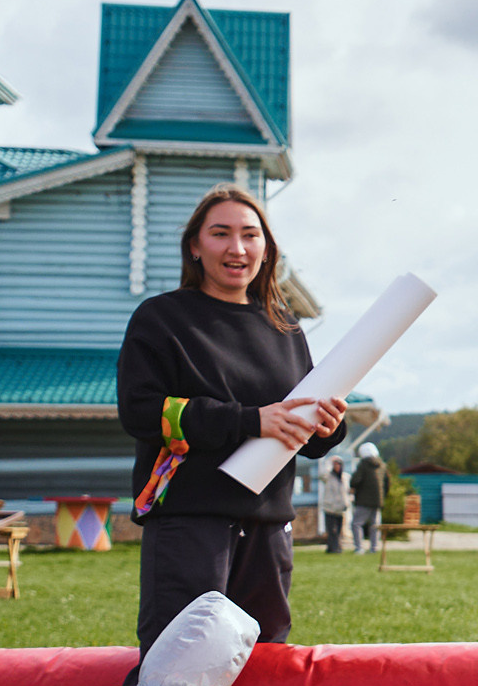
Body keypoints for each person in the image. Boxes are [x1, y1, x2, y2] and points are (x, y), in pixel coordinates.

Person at [117, 185, 344, 653]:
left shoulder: (285, 328)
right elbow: (140, 412)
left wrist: (328, 426)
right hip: (189, 522)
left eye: (249, 235)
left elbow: (300, 426)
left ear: (266, 249)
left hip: (268, 529)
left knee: (265, 663)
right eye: (220, 234)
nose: (236, 248)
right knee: (179, 662)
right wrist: (248, 421)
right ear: (195, 247)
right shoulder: (162, 318)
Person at [349, 442, 386, 553]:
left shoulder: (363, 464)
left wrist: (353, 486)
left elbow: (355, 481)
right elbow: (387, 483)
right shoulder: (382, 465)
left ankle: (359, 548)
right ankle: (374, 547)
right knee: (375, 525)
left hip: (363, 500)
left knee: (356, 523)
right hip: (378, 501)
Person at [316, 451, 348, 554]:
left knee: (338, 530)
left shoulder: (345, 477)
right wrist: (329, 462)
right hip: (330, 507)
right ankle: (333, 548)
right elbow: (321, 474)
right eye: (335, 465)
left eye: (338, 465)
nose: (337, 467)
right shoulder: (328, 477)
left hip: (340, 508)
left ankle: (336, 547)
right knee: (331, 530)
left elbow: (347, 492)